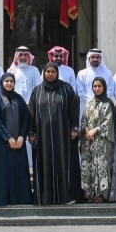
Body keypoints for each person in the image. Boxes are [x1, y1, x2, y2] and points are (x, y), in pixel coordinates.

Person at [28, 62, 81, 205]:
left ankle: (67, 196)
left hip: (63, 135)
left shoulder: (66, 89)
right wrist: (31, 132)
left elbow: (74, 109)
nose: (50, 74)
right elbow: (31, 113)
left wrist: (74, 128)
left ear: (57, 73)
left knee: (64, 163)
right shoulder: (37, 91)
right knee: (44, 163)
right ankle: (45, 197)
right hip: (42, 136)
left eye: (53, 71)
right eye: (48, 71)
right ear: (44, 73)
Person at [0, 73, 33, 206]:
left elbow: (26, 118)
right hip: (3, 143)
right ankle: (4, 198)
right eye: (6, 81)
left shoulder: (19, 99)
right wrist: (8, 138)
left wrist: (21, 136)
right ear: (2, 83)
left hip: (19, 143)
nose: (9, 83)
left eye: (11, 81)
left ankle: (22, 197)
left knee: (20, 169)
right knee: (4, 171)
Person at [80, 78, 116, 202]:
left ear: (104, 87)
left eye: (99, 86)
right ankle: (90, 194)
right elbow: (84, 120)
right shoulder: (89, 103)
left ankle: (101, 195)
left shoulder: (108, 104)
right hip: (89, 141)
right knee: (89, 166)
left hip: (102, 141)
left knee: (101, 166)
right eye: (95, 86)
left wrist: (94, 131)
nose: (97, 89)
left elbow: (108, 122)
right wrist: (87, 131)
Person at [76, 48, 116, 117]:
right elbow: (80, 92)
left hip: (104, 106)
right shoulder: (82, 74)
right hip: (87, 107)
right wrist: (92, 103)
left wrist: (102, 102)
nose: (95, 59)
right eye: (93, 57)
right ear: (89, 59)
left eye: (97, 57)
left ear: (101, 59)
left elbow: (110, 90)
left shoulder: (107, 73)